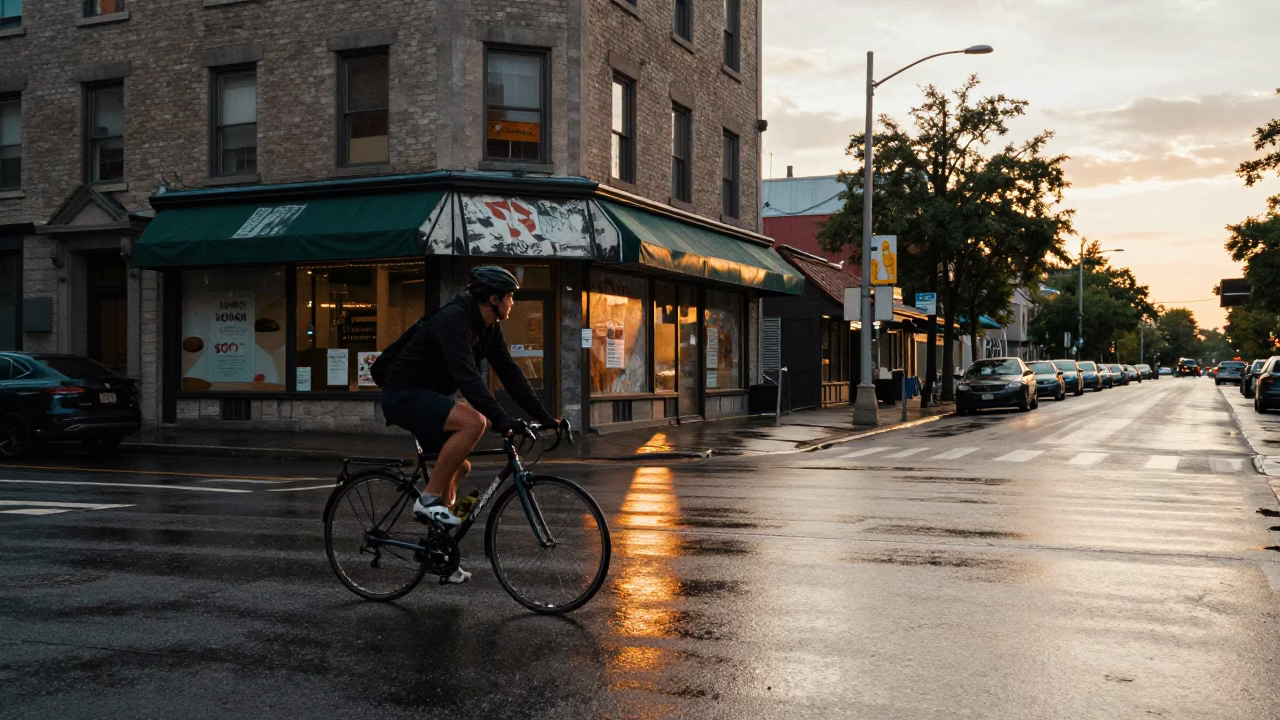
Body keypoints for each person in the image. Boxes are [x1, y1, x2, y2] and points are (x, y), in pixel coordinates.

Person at [380, 266, 561, 584]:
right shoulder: (454, 321)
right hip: (403, 395)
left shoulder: (488, 328)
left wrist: (546, 417)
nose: (513, 303)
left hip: (430, 398)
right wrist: (499, 418)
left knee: (460, 468)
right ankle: (428, 500)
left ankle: (438, 549)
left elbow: (510, 374)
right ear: (493, 299)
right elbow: (468, 378)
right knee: (474, 422)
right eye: (510, 297)